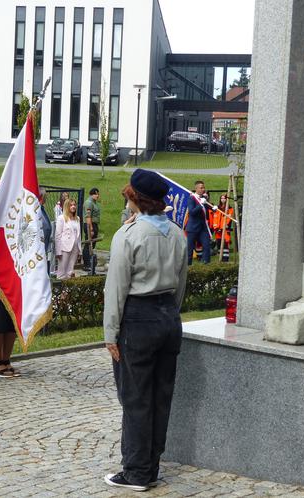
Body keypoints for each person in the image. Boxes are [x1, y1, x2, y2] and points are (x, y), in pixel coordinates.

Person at [103, 170, 188, 491]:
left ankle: (136, 472)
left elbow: (116, 289)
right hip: (168, 317)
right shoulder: (178, 235)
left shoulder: (128, 235)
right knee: (160, 396)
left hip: (137, 318)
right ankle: (151, 466)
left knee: (136, 397)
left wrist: (110, 332)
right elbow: (181, 285)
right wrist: (169, 315)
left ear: (134, 199)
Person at [186, 180, 215, 265]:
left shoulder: (204, 198)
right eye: (201, 188)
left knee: (206, 246)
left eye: (204, 187)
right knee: (190, 248)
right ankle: (188, 266)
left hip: (203, 227)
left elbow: (205, 209)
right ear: (196, 189)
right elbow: (192, 212)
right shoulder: (192, 198)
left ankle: (206, 264)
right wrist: (200, 205)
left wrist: (213, 208)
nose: (203, 189)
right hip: (193, 227)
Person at [55, 198, 81, 280]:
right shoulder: (61, 218)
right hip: (65, 248)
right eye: (71, 205)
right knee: (62, 273)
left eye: (74, 205)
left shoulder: (77, 218)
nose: (73, 207)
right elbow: (58, 235)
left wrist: (80, 250)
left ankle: (66, 291)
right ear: (67, 206)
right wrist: (58, 251)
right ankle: (60, 291)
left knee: (70, 271)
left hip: (75, 248)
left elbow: (78, 235)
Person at [210, 193, 234, 262]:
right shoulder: (217, 208)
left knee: (225, 244)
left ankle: (225, 259)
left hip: (225, 229)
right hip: (218, 229)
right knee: (219, 243)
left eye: (224, 198)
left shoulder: (230, 209)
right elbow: (215, 217)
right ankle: (220, 259)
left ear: (226, 199)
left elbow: (229, 219)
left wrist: (224, 227)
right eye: (222, 198)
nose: (223, 199)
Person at [82, 187, 101, 271]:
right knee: (88, 244)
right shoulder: (89, 202)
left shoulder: (94, 202)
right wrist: (91, 229)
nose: (97, 195)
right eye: (95, 194)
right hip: (90, 225)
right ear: (91, 194)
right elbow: (88, 217)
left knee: (92, 245)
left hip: (94, 224)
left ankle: (90, 263)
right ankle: (86, 264)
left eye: (98, 193)